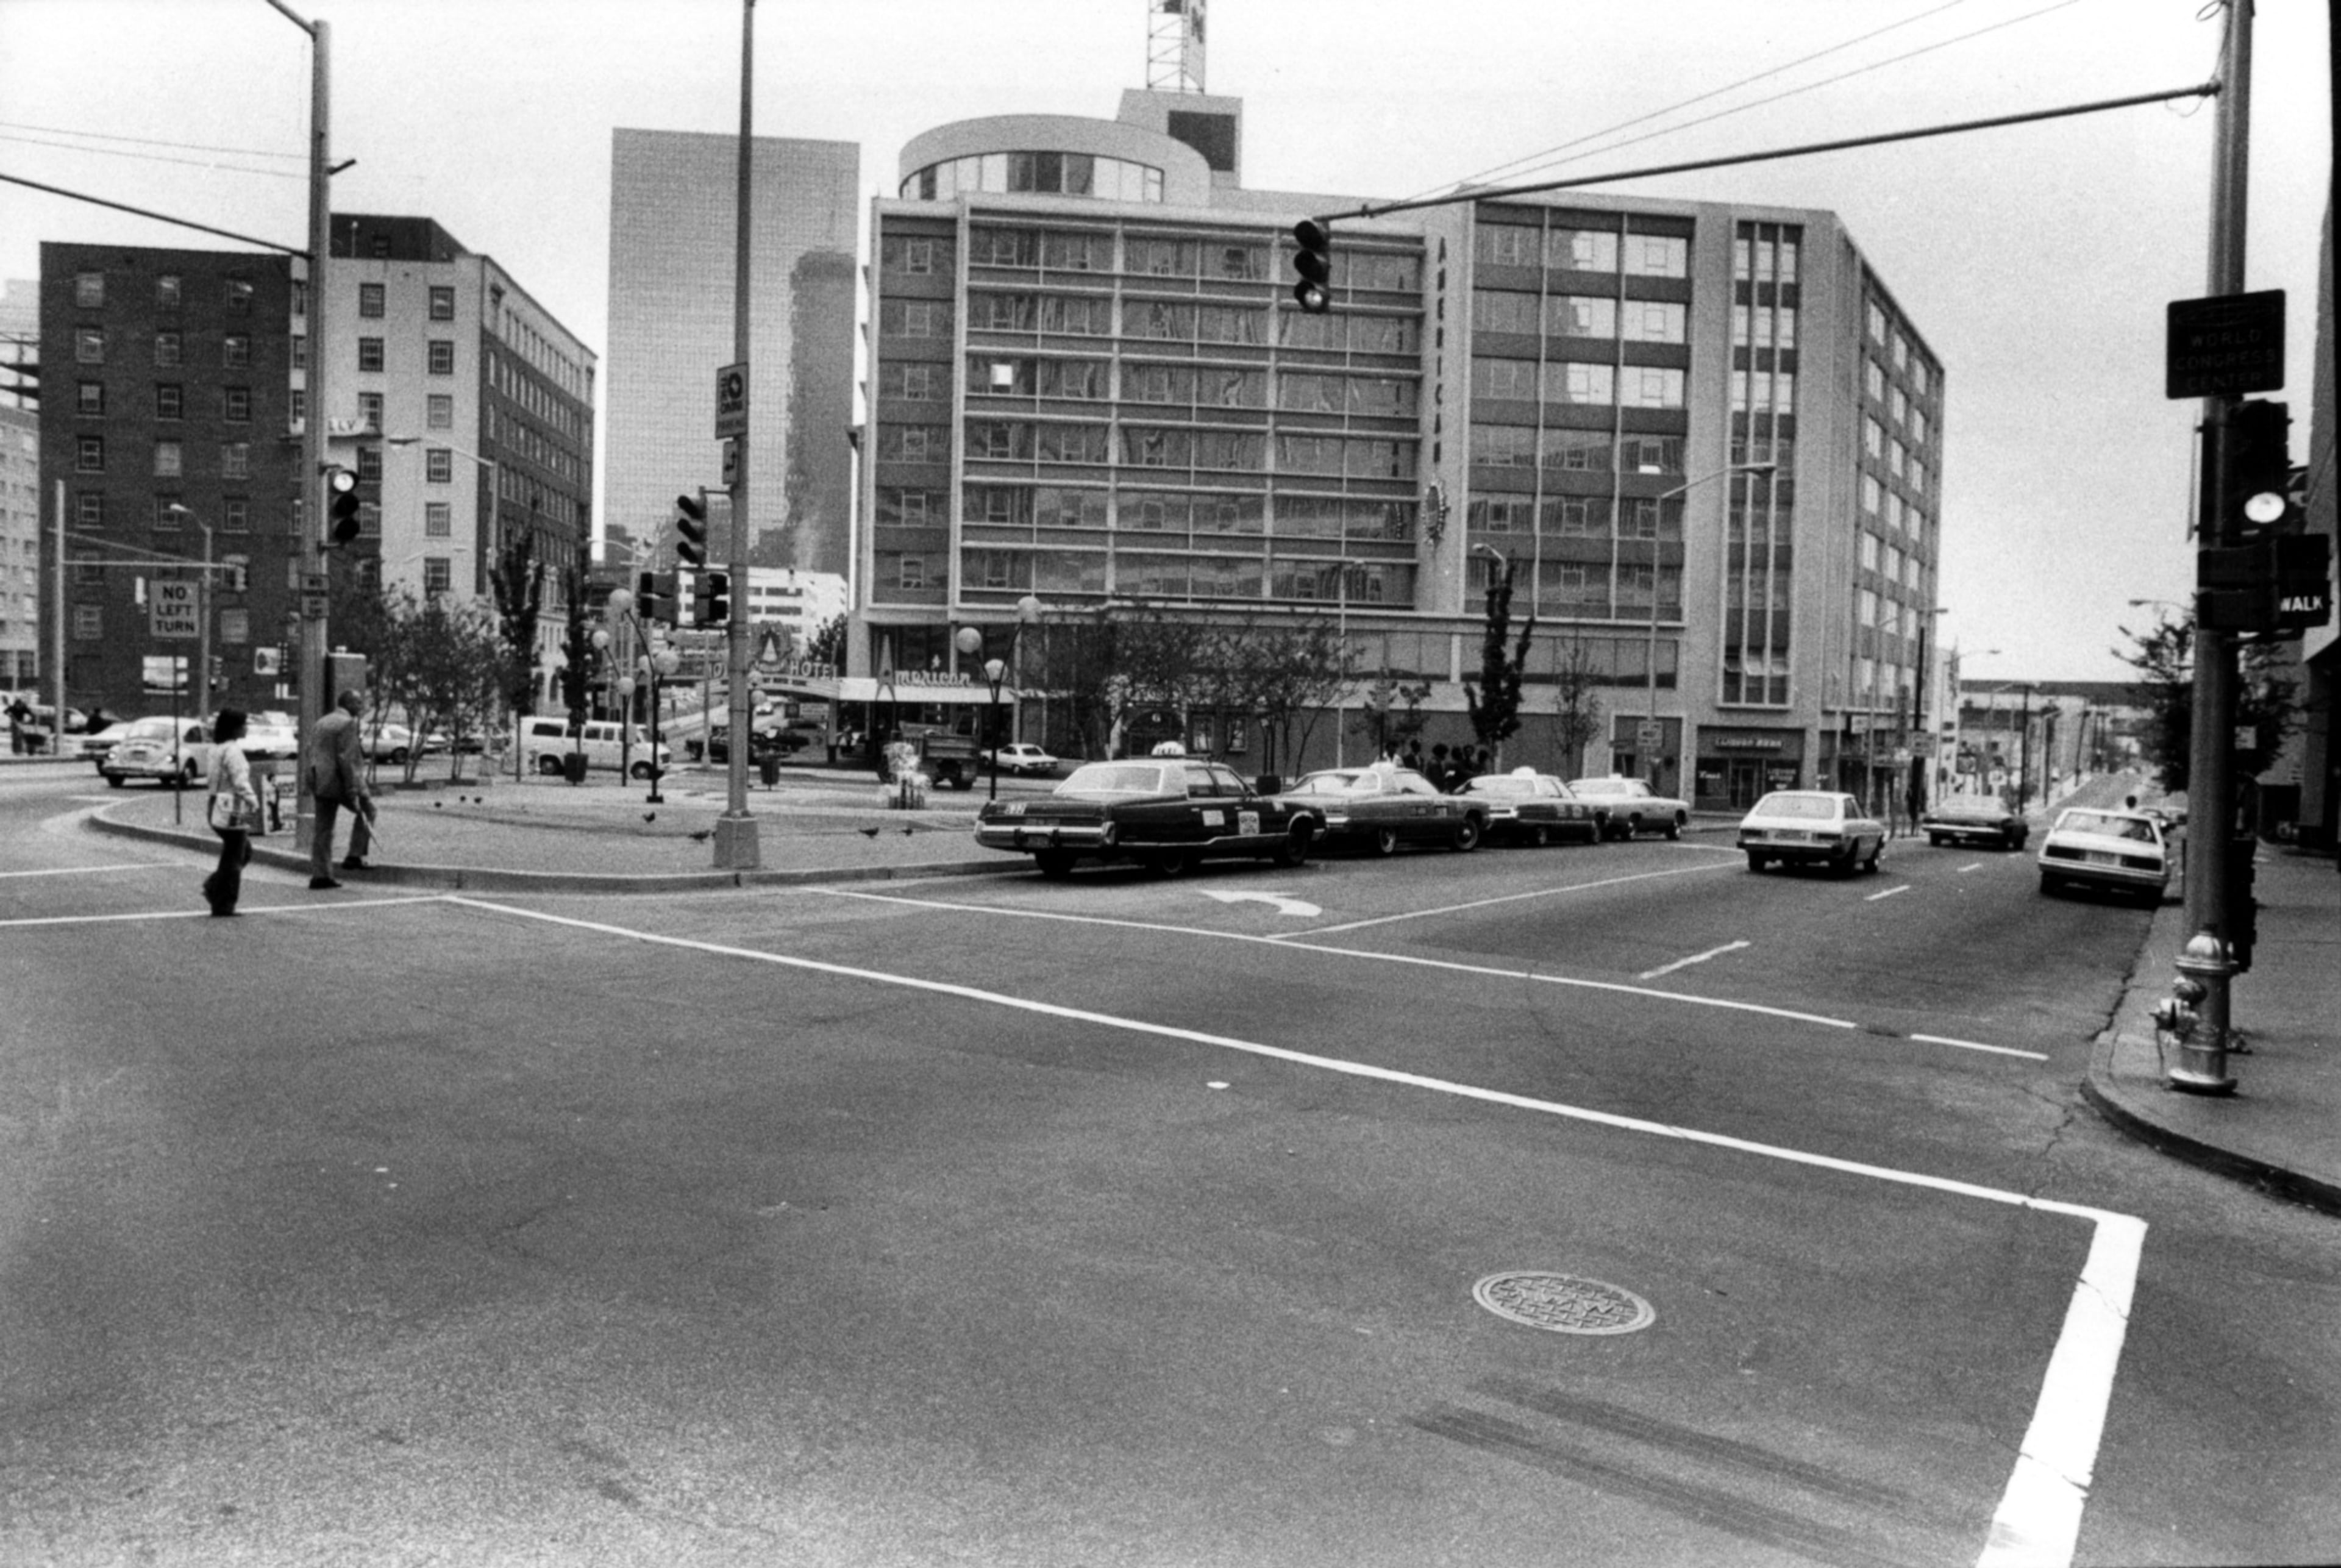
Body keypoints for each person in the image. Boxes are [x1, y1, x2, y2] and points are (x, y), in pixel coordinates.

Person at [305, 688, 374, 888]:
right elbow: (348, 759)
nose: (361, 707)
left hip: (319, 780)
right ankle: (355, 855)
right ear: (349, 704)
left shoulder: (323, 721)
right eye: (358, 703)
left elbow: (311, 750)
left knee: (323, 829)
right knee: (368, 810)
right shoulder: (347, 724)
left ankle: (320, 875)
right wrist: (354, 789)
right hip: (337, 782)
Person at [203, 708, 261, 916]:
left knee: (241, 851)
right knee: (235, 856)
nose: (246, 728)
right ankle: (223, 901)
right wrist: (253, 800)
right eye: (244, 724)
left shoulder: (215, 749)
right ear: (234, 728)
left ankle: (215, 886)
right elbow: (239, 781)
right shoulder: (233, 750)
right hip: (231, 806)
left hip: (215, 804)